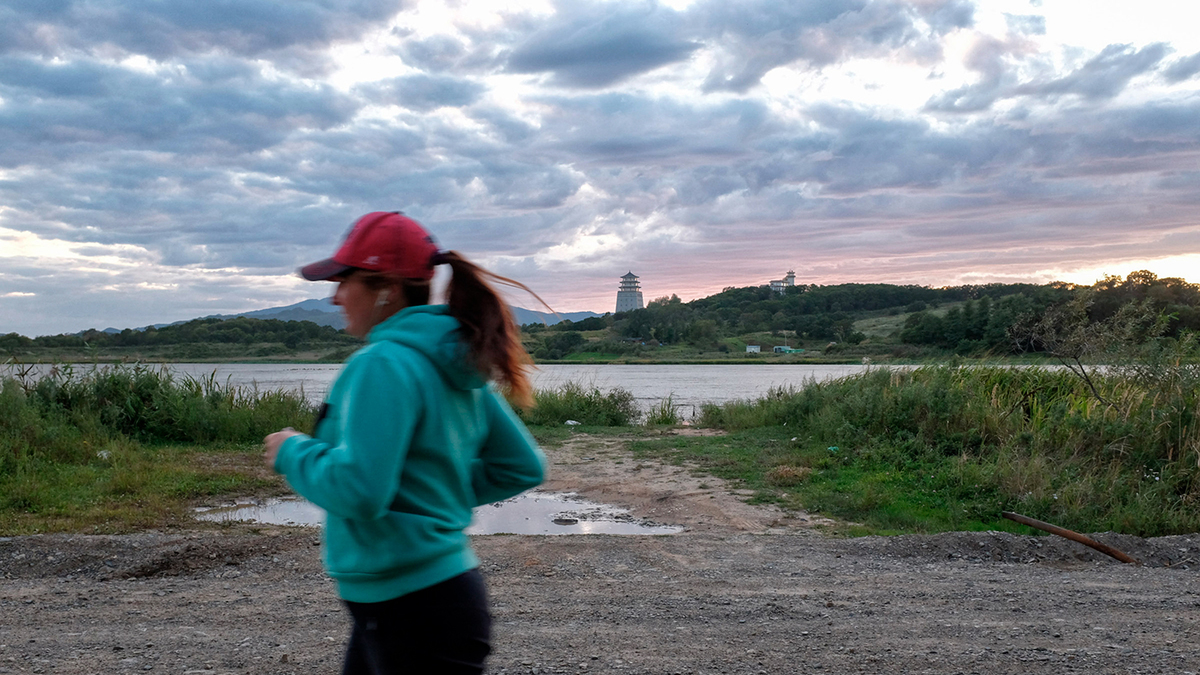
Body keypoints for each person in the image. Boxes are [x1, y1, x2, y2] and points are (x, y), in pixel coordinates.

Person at [263, 211, 546, 674]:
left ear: (387, 289)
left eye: (344, 280)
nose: (334, 297)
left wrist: (292, 451)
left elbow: (359, 491)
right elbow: (520, 466)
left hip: (409, 605)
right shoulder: (455, 359)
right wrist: (432, 492)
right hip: (427, 599)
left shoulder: (382, 363)